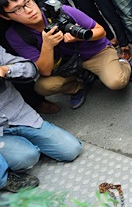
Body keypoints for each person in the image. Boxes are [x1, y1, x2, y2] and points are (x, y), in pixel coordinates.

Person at [1, 0, 132, 110]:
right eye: (17, 9)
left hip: (95, 53)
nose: (28, 10)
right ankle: (77, 88)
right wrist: (47, 45)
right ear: (5, 16)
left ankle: (123, 64)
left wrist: (79, 36)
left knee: (117, 82)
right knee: (42, 86)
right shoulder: (16, 35)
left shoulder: (62, 11)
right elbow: (44, 71)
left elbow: (101, 31)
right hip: (65, 63)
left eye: (28, 2)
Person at [0, 45, 82, 191]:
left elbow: (31, 69)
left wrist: (7, 70)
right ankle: (4, 177)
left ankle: (31, 145)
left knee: (71, 150)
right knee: (27, 157)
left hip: (21, 115)